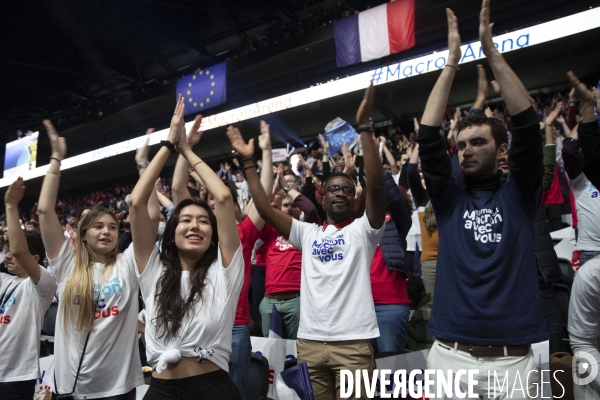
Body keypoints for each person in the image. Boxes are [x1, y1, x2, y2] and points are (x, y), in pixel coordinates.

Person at [418, 3, 547, 398]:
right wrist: (451, 63)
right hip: (450, 357)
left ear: (501, 150)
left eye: (479, 142)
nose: (466, 151)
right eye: (461, 145)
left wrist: (492, 54)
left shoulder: (520, 195)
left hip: (514, 363)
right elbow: (427, 137)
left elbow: (526, 126)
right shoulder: (449, 199)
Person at [230, 82, 386, 400]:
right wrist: (249, 163)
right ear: (321, 196)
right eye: (333, 189)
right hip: (310, 345)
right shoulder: (307, 233)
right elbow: (262, 207)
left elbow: (379, 189)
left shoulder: (363, 231)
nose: (340, 192)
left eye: (347, 189)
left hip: (354, 346)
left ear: (354, 197)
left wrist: (364, 129)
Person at [129, 95, 244, 399]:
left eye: (204, 222)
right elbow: (137, 202)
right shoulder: (152, 269)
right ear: (172, 232)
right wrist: (168, 143)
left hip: (212, 390)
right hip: (160, 391)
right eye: (186, 220)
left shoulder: (226, 270)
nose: (194, 226)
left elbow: (222, 198)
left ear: (213, 232)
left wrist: (186, 150)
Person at [38, 120, 145, 400]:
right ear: (83, 235)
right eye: (98, 226)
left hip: (118, 387)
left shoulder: (128, 263)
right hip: (72, 387)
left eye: (112, 226)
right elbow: (45, 210)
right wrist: (56, 159)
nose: (107, 231)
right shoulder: (67, 263)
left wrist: (143, 164)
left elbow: (147, 215)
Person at [0, 178, 57, 400]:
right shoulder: (3, 280)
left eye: (12, 253)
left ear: (34, 259)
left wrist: (11, 206)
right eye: (6, 251)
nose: (8, 254)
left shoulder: (44, 285)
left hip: (15, 377)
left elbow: (19, 249)